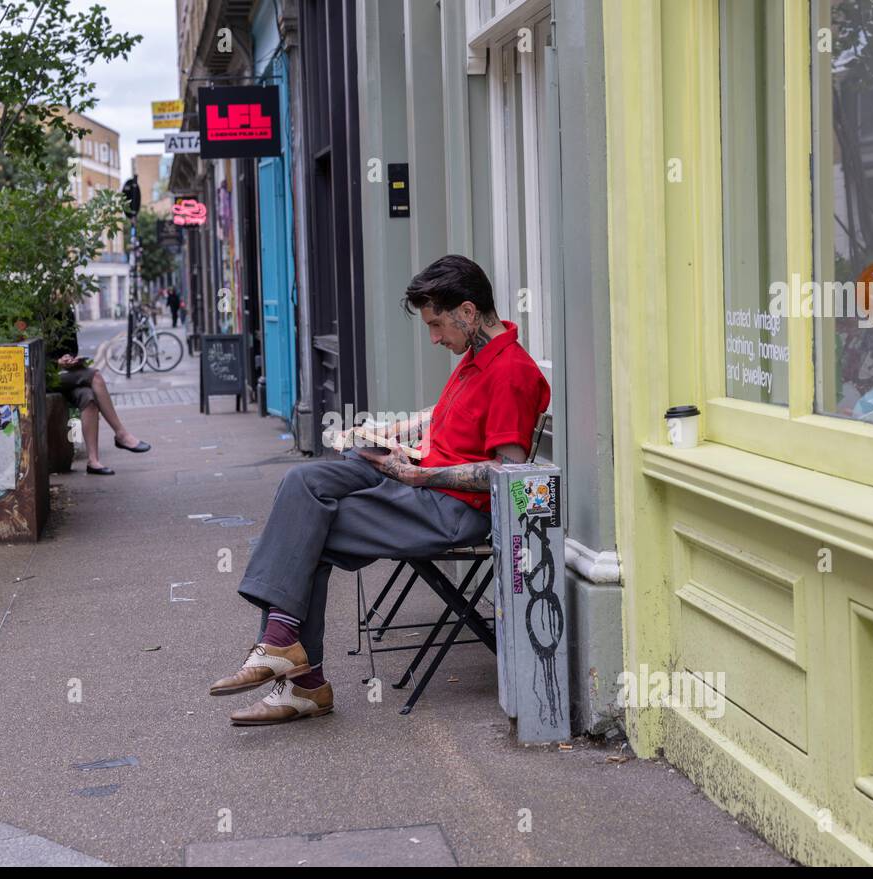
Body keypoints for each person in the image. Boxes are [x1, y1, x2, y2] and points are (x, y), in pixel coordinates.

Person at [208, 254, 550, 725]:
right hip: (420, 480)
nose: (434, 338)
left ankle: (299, 675)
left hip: (449, 508)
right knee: (303, 481)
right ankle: (285, 650)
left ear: (467, 313)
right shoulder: (475, 357)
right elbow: (451, 415)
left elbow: (508, 476)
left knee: (311, 530)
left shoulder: (510, 372)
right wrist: (393, 433)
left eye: (437, 326)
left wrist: (421, 476)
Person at [47, 307, 151, 475]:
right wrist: (55, 362)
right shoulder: (37, 311)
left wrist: (68, 357)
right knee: (95, 376)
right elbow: (33, 354)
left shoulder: (66, 312)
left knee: (89, 398)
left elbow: (72, 346)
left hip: (64, 374)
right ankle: (121, 434)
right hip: (45, 376)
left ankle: (93, 461)